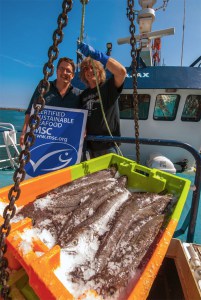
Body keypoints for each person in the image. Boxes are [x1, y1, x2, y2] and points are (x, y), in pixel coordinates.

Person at [78, 42, 126, 159]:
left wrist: (98, 56)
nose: (89, 71)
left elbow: (121, 72)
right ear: (83, 74)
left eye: (92, 67)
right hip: (89, 147)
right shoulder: (83, 95)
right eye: (86, 69)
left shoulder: (109, 86)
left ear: (99, 70)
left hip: (108, 146)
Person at [20, 57, 81, 147]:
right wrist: (24, 132)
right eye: (62, 69)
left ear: (72, 75)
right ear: (56, 71)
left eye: (68, 70)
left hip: (66, 142)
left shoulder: (78, 94)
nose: (64, 72)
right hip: (41, 141)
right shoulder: (43, 87)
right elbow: (30, 111)